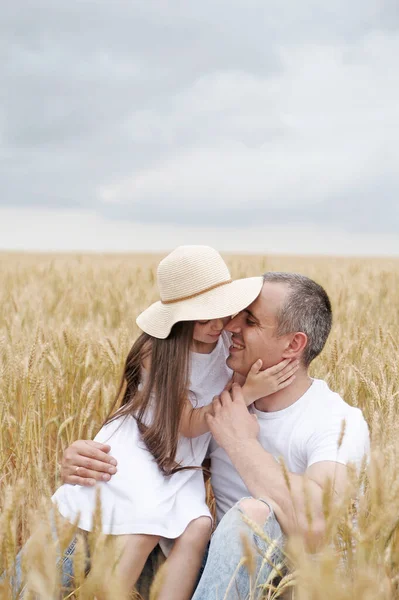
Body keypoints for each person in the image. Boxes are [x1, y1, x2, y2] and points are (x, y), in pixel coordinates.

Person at [63, 271, 370, 599]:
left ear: (294, 344)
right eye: (234, 313)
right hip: (215, 571)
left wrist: (239, 441)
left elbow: (318, 524)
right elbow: (166, 456)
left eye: (249, 321)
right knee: (103, 500)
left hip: (289, 585)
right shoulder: (223, 397)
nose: (231, 326)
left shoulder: (337, 423)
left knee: (251, 515)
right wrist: (87, 461)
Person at [43, 247, 298, 600]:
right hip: (143, 449)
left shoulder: (224, 341)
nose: (215, 325)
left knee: (197, 526)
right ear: (177, 318)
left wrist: (248, 386)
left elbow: (225, 395)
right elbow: (189, 425)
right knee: (144, 527)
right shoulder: (158, 352)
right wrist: (248, 393)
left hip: (181, 462)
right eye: (201, 317)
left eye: (219, 313)